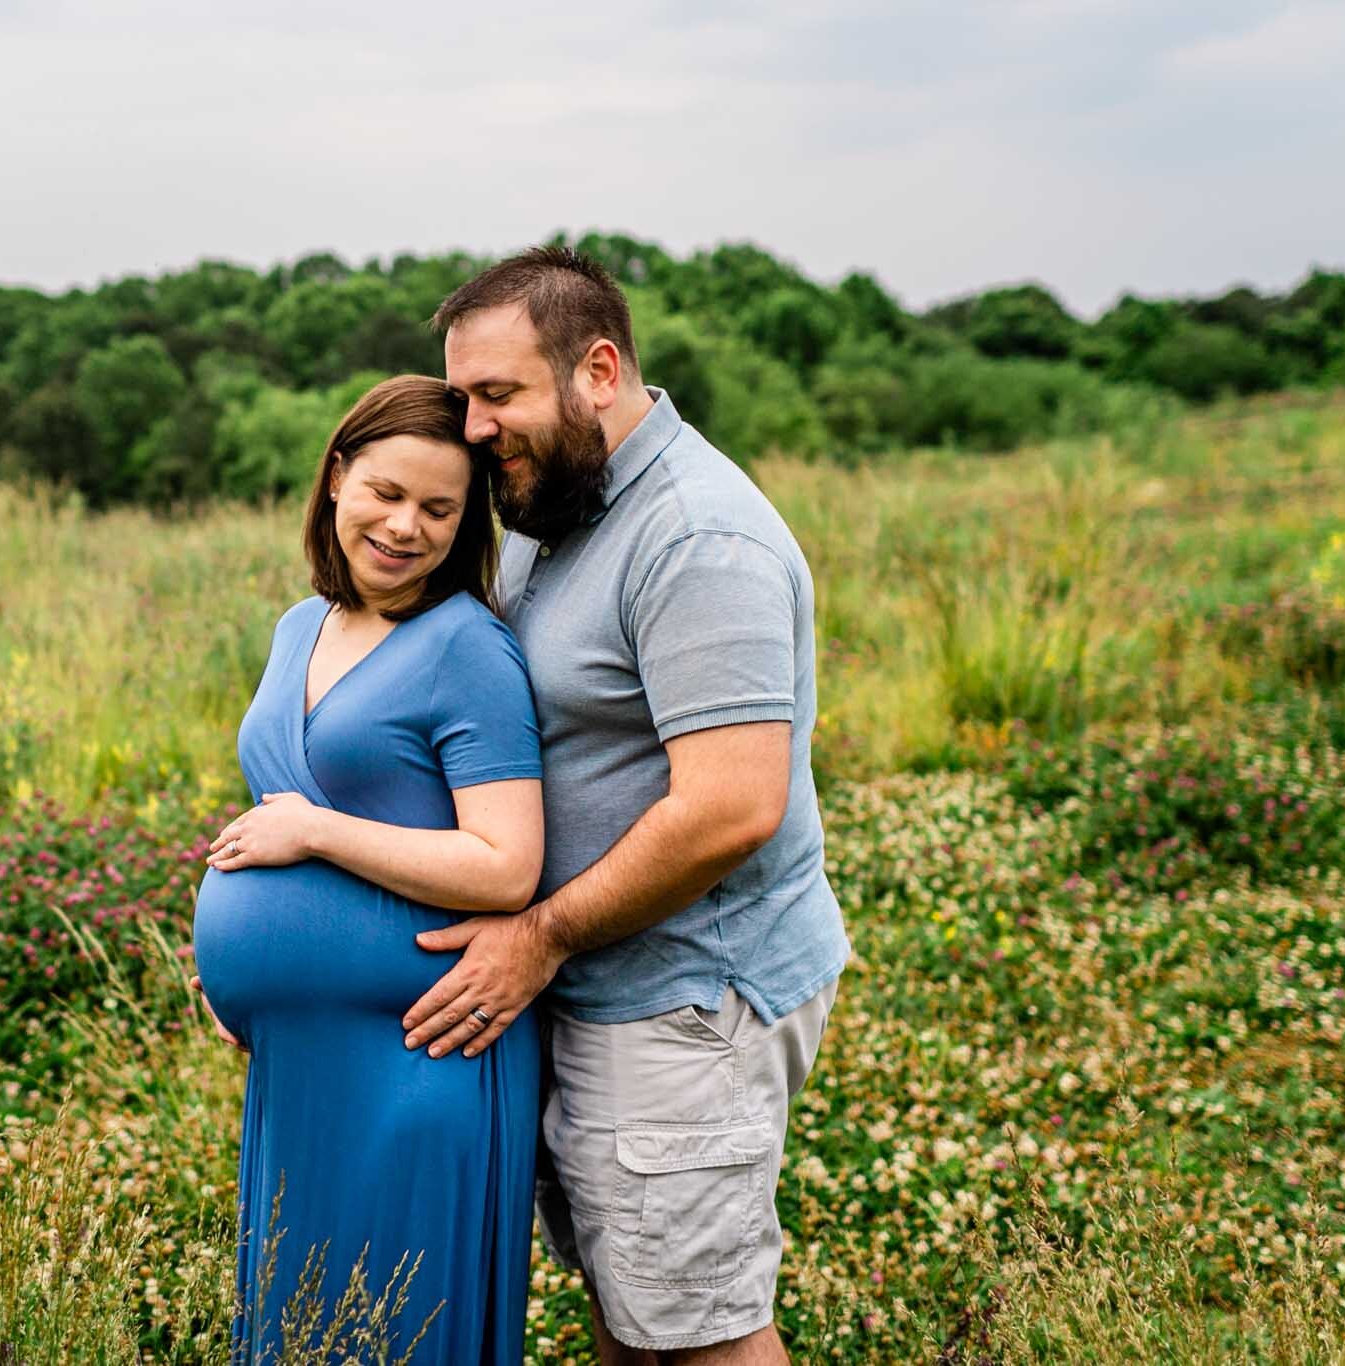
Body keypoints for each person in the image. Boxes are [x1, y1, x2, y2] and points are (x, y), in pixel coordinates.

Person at [401, 247, 851, 1364]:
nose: (470, 428)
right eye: (460, 397)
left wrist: (539, 935)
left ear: (596, 370)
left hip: (684, 998)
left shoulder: (698, 537)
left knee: (701, 1338)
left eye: (496, 394)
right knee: (636, 1317)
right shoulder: (561, 504)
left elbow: (728, 809)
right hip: (605, 989)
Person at [189, 374, 545, 1365]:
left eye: (438, 508)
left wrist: (316, 839)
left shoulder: (468, 648)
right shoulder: (297, 627)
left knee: (397, 1332)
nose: (405, 527)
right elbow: (279, 807)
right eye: (386, 493)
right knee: (304, 1332)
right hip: (299, 1063)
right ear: (337, 476)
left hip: (418, 1055)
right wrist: (236, 970)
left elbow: (504, 864)